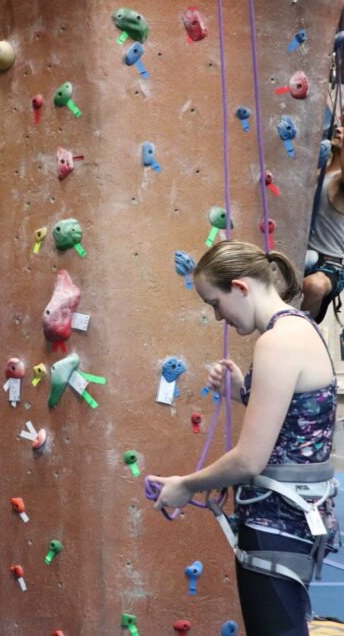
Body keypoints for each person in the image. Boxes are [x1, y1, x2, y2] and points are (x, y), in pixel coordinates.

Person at [149, 240, 338, 636]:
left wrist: (185, 485)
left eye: (215, 303)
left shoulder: (277, 342)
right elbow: (298, 425)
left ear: (240, 287)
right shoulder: (301, 328)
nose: (219, 316)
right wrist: (244, 391)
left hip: (277, 523)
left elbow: (250, 459)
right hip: (293, 521)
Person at [301, 124, 344, 322]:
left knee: (314, 286)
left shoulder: (338, 181)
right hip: (302, 251)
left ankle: (302, 330)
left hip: (329, 266)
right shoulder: (321, 170)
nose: (340, 130)